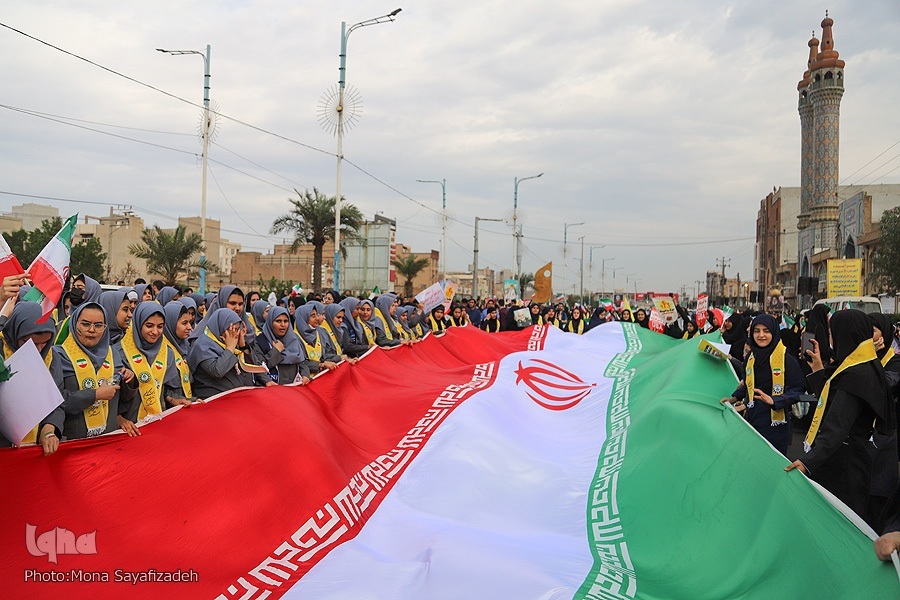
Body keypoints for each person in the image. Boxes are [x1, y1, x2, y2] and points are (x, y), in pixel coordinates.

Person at [785, 309, 895, 525]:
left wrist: (808, 463)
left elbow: (837, 425)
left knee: (840, 525)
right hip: (853, 459)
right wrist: (818, 370)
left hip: (844, 466)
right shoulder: (862, 365)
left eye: (833, 332)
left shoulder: (856, 374)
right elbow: (832, 400)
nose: (831, 338)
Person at [52, 302, 138, 439]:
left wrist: (130, 381)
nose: (92, 330)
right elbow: (57, 402)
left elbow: (122, 400)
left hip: (107, 440)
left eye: (98, 326)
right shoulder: (58, 355)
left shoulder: (113, 353)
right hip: (73, 441)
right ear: (74, 324)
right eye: (85, 324)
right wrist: (95, 395)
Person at [723, 314, 807, 456]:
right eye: (757, 331)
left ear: (774, 332)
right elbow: (749, 383)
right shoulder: (751, 356)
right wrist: (734, 398)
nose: (761, 335)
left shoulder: (785, 357)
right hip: (752, 419)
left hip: (775, 425)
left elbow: (798, 390)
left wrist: (774, 400)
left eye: (766, 331)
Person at [0, 301, 64, 454]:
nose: (37, 350)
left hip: (34, 447)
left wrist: (49, 429)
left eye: (44, 343)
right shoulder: (1, 351)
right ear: (15, 332)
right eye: (28, 342)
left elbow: (56, 400)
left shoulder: (51, 357)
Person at [116, 302, 185, 422]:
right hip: (129, 423)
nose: (155, 332)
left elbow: (163, 388)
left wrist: (174, 399)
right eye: (149, 325)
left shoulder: (167, 353)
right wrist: (118, 418)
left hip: (157, 421)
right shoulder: (118, 352)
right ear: (138, 324)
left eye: (160, 326)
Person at [188, 308, 271, 399]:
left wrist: (243, 346)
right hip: (212, 401)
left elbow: (251, 367)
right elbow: (217, 371)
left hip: (234, 399)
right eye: (231, 329)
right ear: (220, 327)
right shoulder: (202, 346)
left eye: (237, 329)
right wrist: (230, 348)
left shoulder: (230, 343)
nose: (234, 334)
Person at [251, 306, 311, 385]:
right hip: (272, 390)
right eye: (278, 321)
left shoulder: (293, 339)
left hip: (293, 390)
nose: (283, 325)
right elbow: (259, 367)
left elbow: (302, 362)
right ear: (270, 322)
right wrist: (276, 351)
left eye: (286, 321)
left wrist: (305, 375)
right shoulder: (259, 341)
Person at [161, 302, 196, 407]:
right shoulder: (161, 351)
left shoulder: (184, 346)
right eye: (184, 323)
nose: (189, 327)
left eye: (189, 322)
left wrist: (193, 400)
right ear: (171, 323)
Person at [294, 304, 340, 373]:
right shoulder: (295, 338)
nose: (317, 318)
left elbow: (323, 356)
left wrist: (340, 358)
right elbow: (299, 364)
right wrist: (321, 365)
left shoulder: (316, 333)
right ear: (304, 319)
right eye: (313, 316)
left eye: (317, 315)